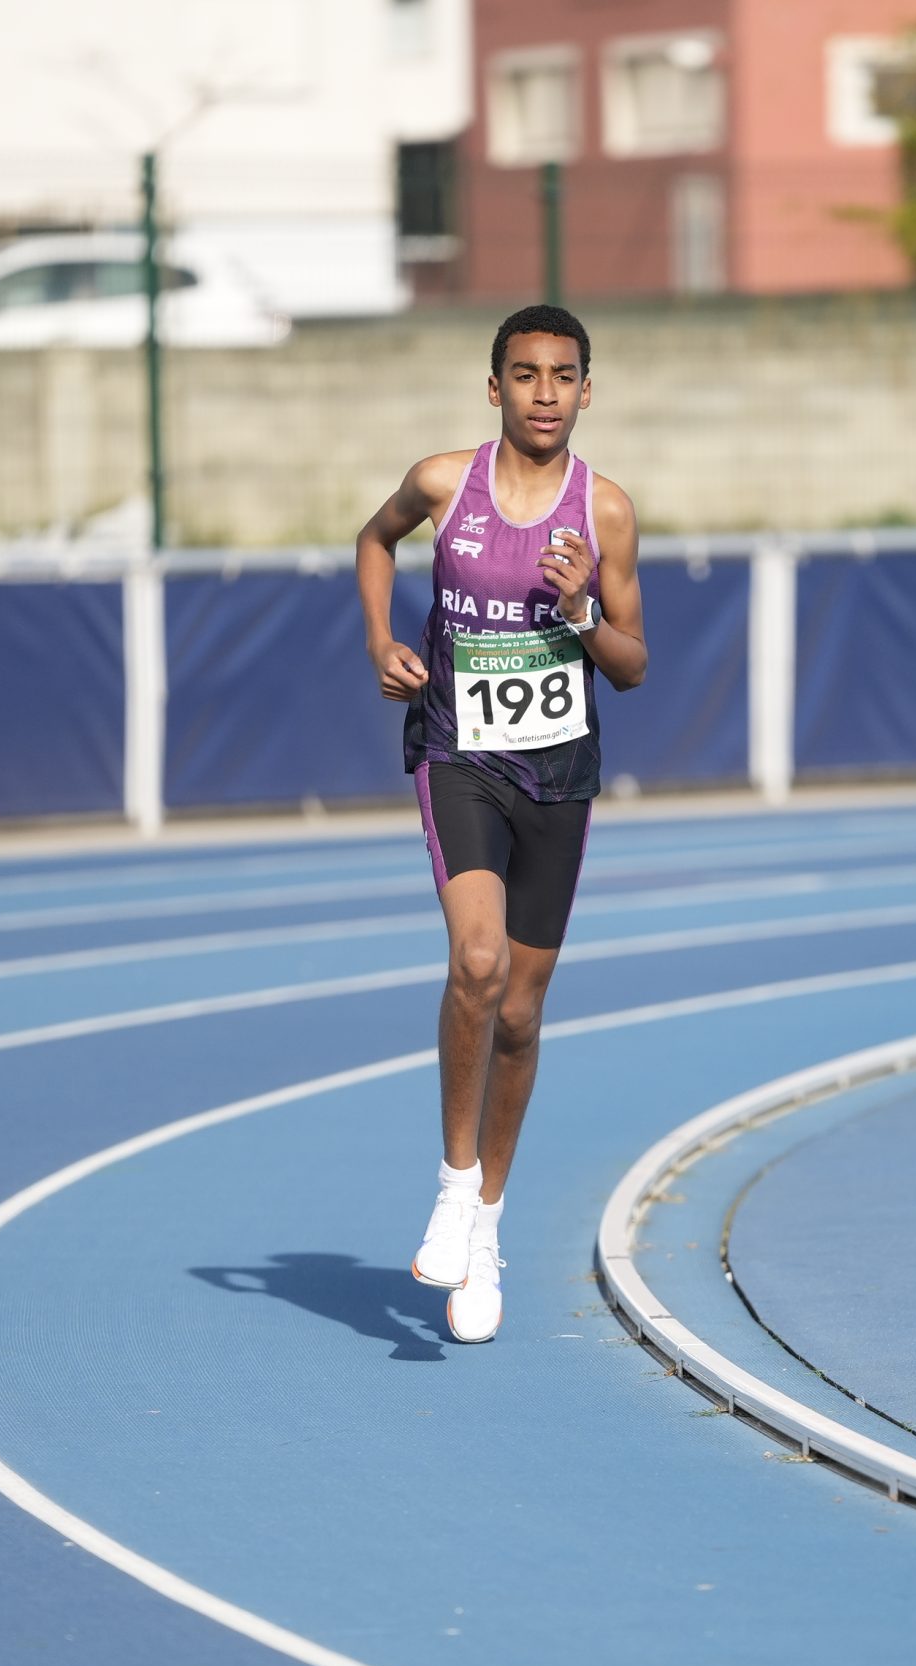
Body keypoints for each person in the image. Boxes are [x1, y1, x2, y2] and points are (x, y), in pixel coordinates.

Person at [353, 304, 647, 1344]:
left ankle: (485, 1223)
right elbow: (373, 540)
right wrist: (382, 640)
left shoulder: (604, 510)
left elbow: (632, 663)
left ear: (585, 391)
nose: (543, 393)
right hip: (459, 755)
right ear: (495, 388)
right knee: (475, 962)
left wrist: (580, 614)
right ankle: (451, 1182)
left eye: (562, 376)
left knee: (519, 1013)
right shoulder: (444, 484)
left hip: (557, 776)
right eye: (525, 375)